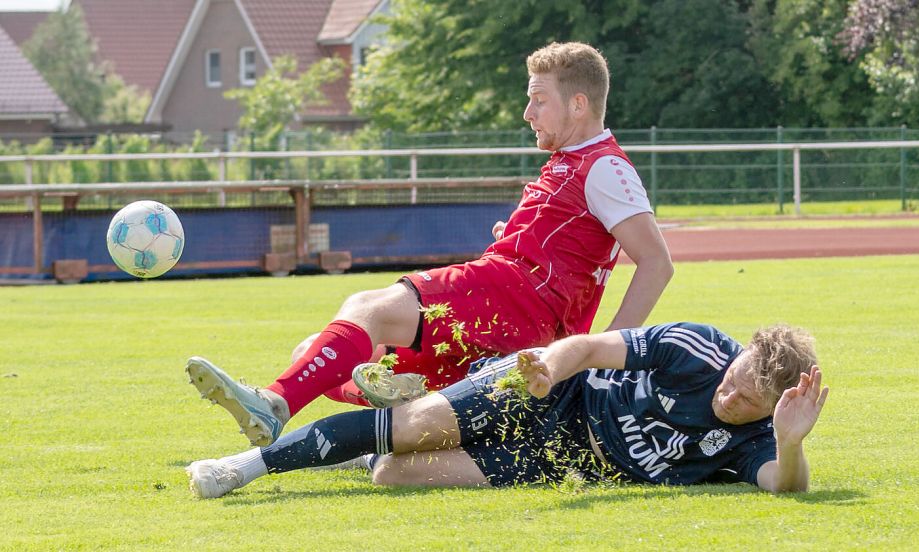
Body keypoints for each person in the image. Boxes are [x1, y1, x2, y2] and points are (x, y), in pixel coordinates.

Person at [185, 41, 674, 447]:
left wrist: (598, 356)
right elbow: (573, 247)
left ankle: (273, 405)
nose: (528, 113)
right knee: (314, 352)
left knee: (366, 306)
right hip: (515, 315)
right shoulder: (573, 160)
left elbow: (656, 263)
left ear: (579, 105)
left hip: (517, 301)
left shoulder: (605, 165)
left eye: (538, 100)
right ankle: (407, 406)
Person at [186, 321, 830, 497]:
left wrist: (793, 445)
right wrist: (550, 366)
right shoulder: (697, 349)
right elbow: (593, 345)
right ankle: (242, 467)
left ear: (773, 409)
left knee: (393, 471)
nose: (727, 393)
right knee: (408, 427)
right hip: (549, 390)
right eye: (734, 377)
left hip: (562, 460)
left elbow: (784, 486)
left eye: (744, 400)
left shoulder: (761, 440)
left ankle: (368, 442)